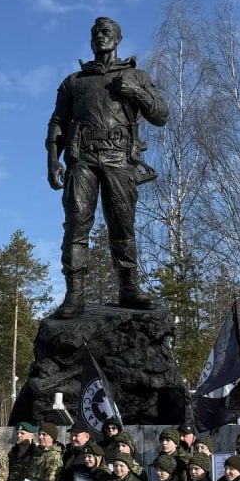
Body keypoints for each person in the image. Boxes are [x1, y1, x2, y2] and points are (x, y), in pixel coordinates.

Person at [47, 16, 170, 316]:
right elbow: (57, 124)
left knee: (122, 225)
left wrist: (136, 93)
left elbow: (161, 115)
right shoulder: (75, 82)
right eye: (95, 33)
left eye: (107, 32)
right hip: (82, 159)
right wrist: (52, 161)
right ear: (91, 41)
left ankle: (129, 289)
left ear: (118, 38)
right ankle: (74, 295)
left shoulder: (136, 76)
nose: (100, 36)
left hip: (120, 158)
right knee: (76, 225)